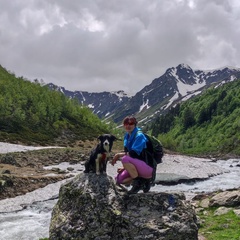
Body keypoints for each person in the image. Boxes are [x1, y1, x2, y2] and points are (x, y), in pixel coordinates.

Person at [111, 116, 155, 194]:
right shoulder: (127, 136)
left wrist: (118, 155)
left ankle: (138, 183)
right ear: (124, 125)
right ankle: (144, 181)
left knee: (124, 158)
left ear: (135, 125)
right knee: (119, 179)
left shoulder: (139, 136)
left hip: (147, 167)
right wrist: (125, 168)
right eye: (126, 123)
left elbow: (133, 154)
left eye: (131, 123)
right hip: (138, 166)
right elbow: (129, 154)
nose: (128, 126)